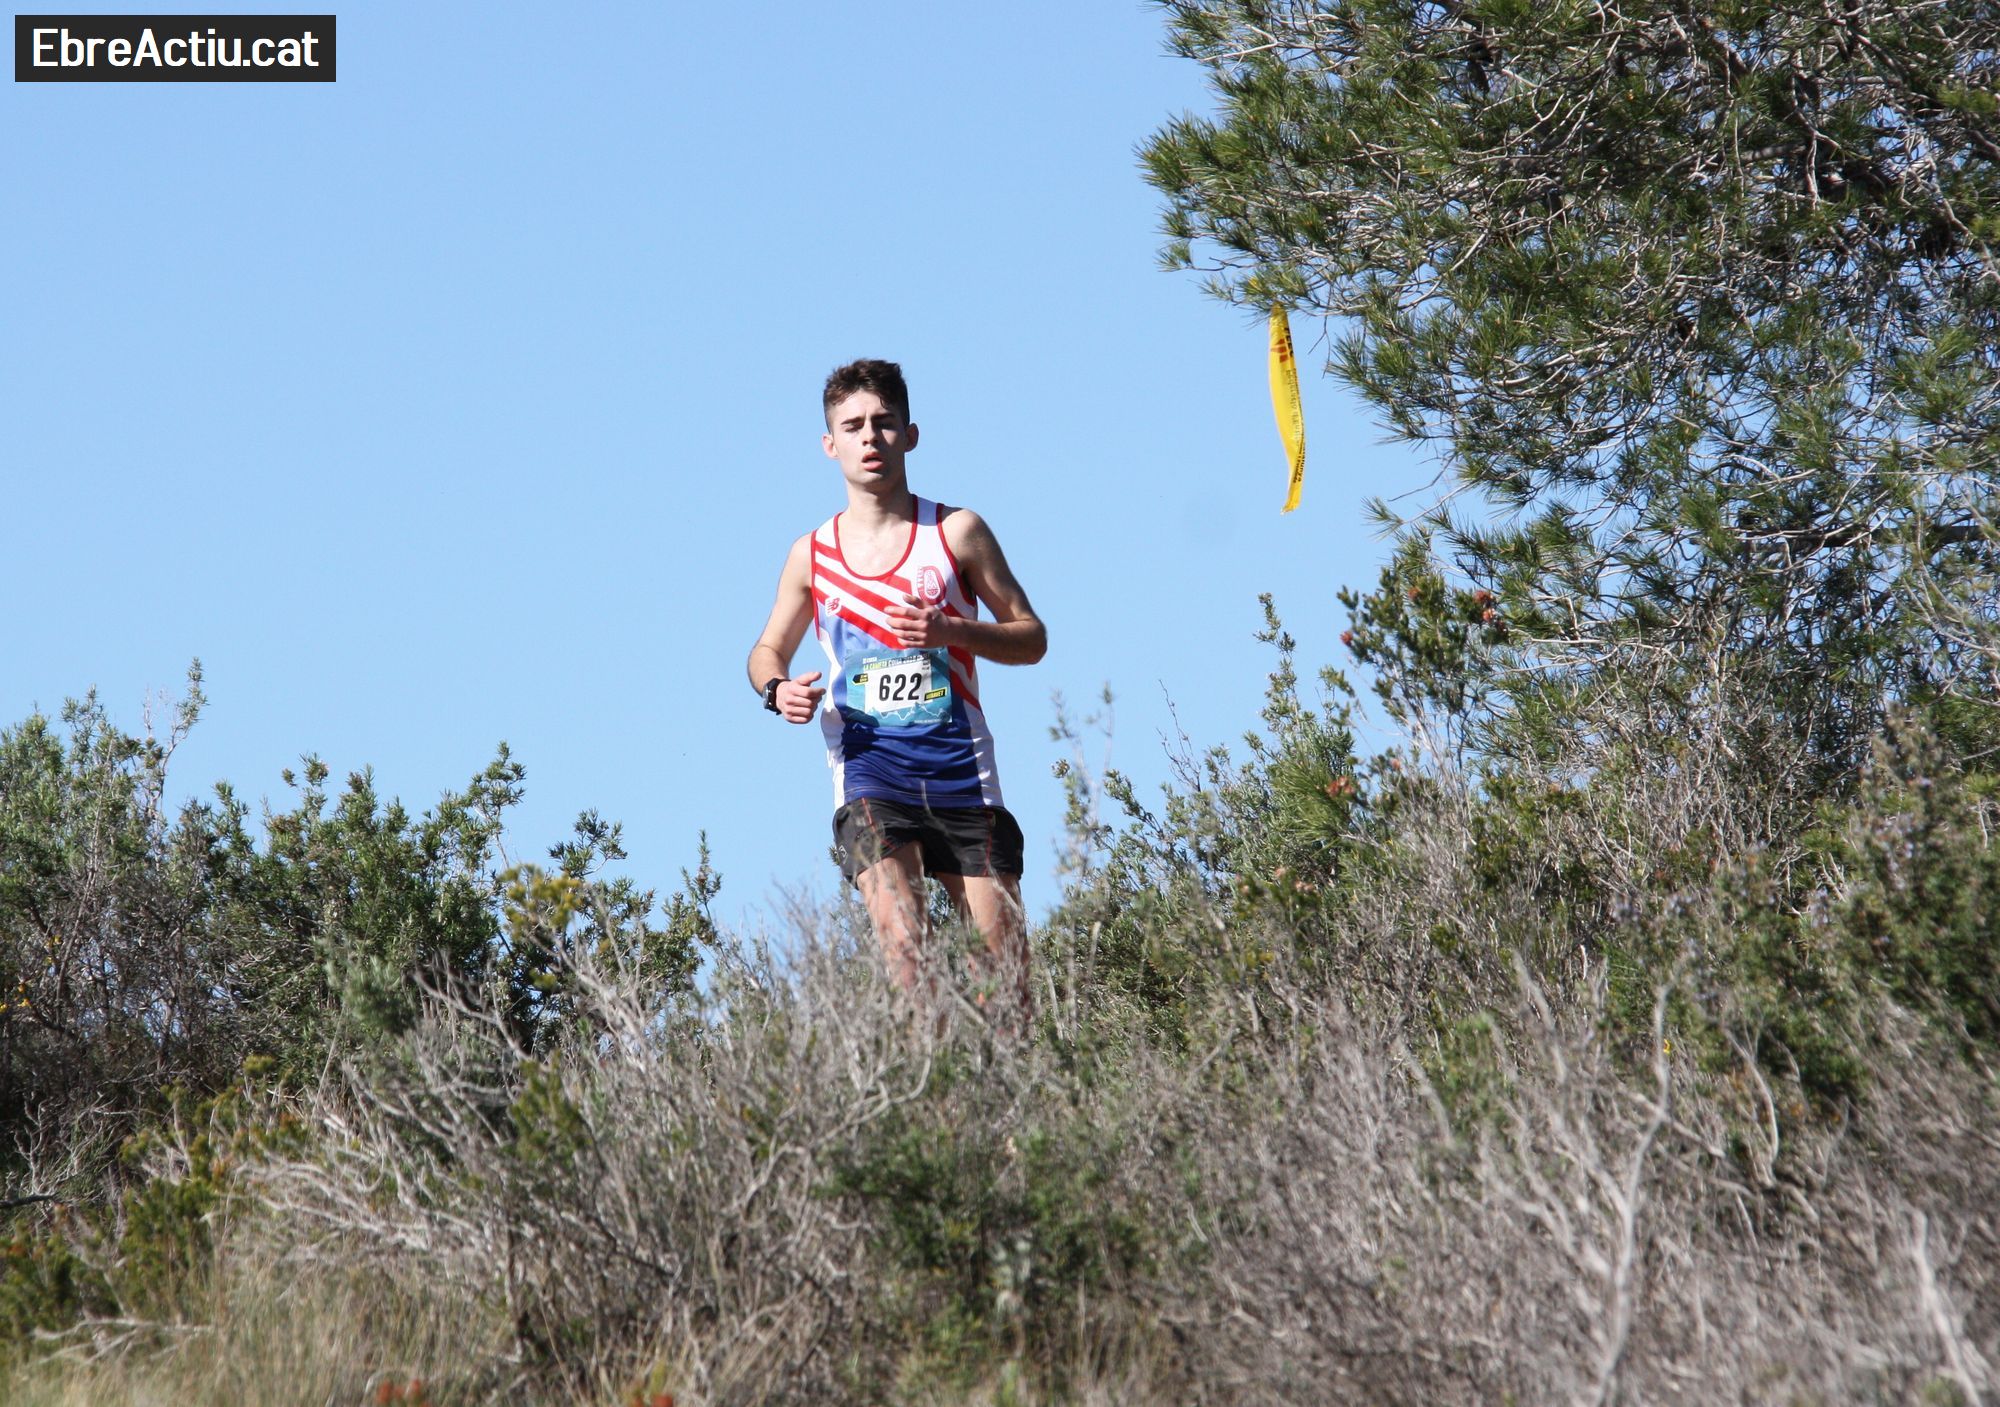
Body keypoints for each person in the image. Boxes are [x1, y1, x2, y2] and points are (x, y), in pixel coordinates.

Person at [747, 359, 1046, 1025]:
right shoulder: (812, 555)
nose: (870, 437)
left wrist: (954, 630)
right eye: (853, 426)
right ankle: (928, 1092)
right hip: (870, 779)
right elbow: (766, 650)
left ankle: (1007, 1098)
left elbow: (1031, 637)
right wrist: (776, 689)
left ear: (910, 434)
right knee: (909, 964)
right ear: (830, 444)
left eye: (883, 423)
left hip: (964, 777)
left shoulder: (956, 533)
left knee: (1007, 993)